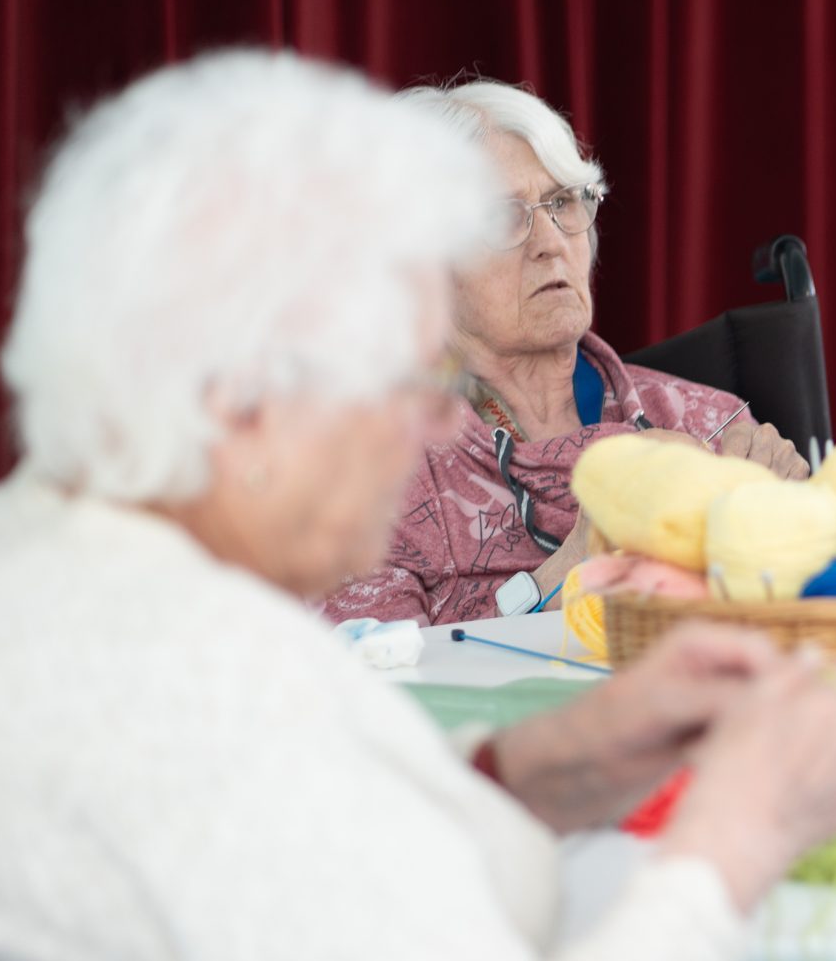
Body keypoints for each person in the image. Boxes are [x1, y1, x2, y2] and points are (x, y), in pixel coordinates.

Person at [0, 51, 836, 961]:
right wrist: (731, 839)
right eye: (398, 376)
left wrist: (529, 775)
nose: (437, 426)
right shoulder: (203, 685)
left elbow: (300, 871)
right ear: (246, 393)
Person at [323, 77, 807, 629]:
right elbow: (368, 668)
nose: (552, 242)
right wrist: (573, 565)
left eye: (562, 203)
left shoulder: (708, 424)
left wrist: (795, 532)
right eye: (504, 218)